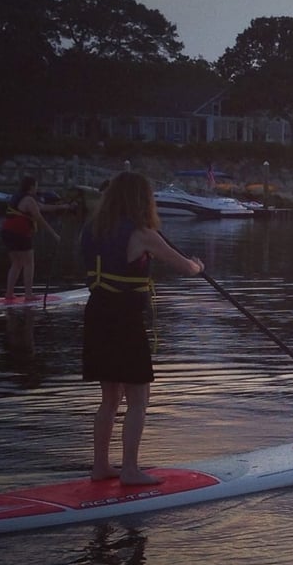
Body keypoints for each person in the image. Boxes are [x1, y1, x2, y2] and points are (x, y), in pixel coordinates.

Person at [80, 172, 204, 486]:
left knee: (109, 398)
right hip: (124, 319)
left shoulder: (91, 229)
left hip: (97, 315)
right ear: (142, 200)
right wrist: (198, 265)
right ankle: (131, 471)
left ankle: (100, 467)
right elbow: (184, 267)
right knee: (138, 398)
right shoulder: (143, 233)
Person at [1, 175, 72, 302]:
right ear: (32, 186)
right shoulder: (29, 200)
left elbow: (43, 207)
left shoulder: (21, 198)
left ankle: (9, 294)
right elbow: (39, 218)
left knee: (16, 263)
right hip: (19, 233)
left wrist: (63, 207)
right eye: (36, 185)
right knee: (29, 263)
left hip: (7, 232)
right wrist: (54, 234)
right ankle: (28, 295)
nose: (37, 188)